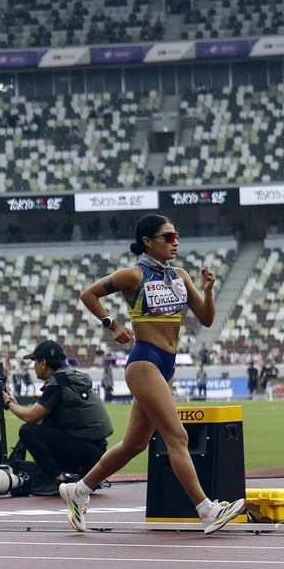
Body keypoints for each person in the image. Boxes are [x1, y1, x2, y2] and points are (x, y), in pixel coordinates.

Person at [62, 214, 247, 534]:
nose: (176, 241)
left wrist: (209, 290)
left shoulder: (179, 276)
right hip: (144, 361)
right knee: (178, 436)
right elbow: (88, 294)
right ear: (148, 241)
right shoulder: (132, 275)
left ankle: (78, 490)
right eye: (168, 236)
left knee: (134, 443)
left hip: (167, 364)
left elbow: (205, 318)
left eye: (177, 236)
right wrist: (112, 324)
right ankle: (206, 510)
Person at [0, 339, 111, 488]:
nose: (34, 366)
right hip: (95, 451)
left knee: (26, 431)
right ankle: (73, 474)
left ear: (43, 363)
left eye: (35, 361)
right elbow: (38, 421)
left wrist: (8, 403)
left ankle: (56, 479)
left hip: (86, 451)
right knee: (33, 430)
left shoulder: (57, 383)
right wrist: (15, 404)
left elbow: (31, 417)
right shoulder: (68, 378)